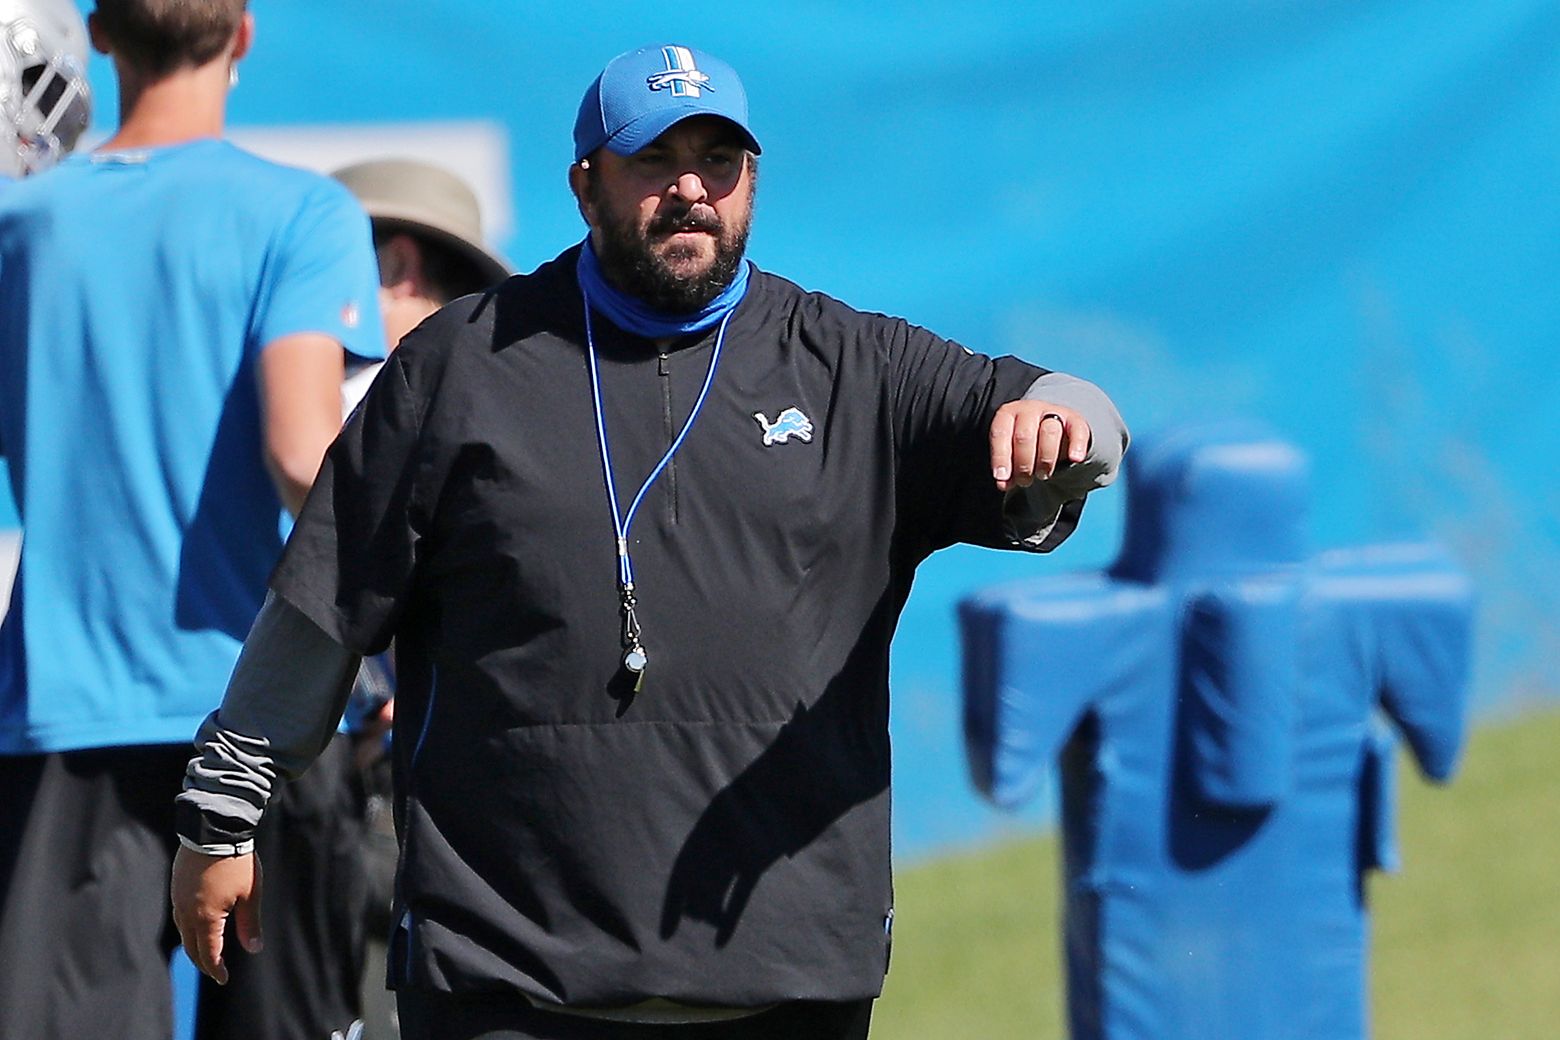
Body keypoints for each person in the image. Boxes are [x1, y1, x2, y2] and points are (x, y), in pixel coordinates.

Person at [172, 43, 1129, 1040]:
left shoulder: (853, 366)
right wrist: (223, 806)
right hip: (507, 972)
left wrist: (1063, 420)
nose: (690, 190)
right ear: (586, 184)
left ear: (752, 179)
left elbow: (1069, 411)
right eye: (652, 159)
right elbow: (326, 601)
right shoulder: (462, 363)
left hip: (782, 975)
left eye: (719, 160)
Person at [0, 2, 385, 1038]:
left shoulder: (18, 223)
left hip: (65, 723)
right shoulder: (304, 213)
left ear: (105, 37)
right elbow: (303, 456)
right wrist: (407, 626)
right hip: (268, 722)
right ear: (245, 35)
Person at [197, 157, 514, 1040]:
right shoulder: (372, 392)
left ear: (395, 268)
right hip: (331, 765)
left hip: (281, 761)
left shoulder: (376, 389)